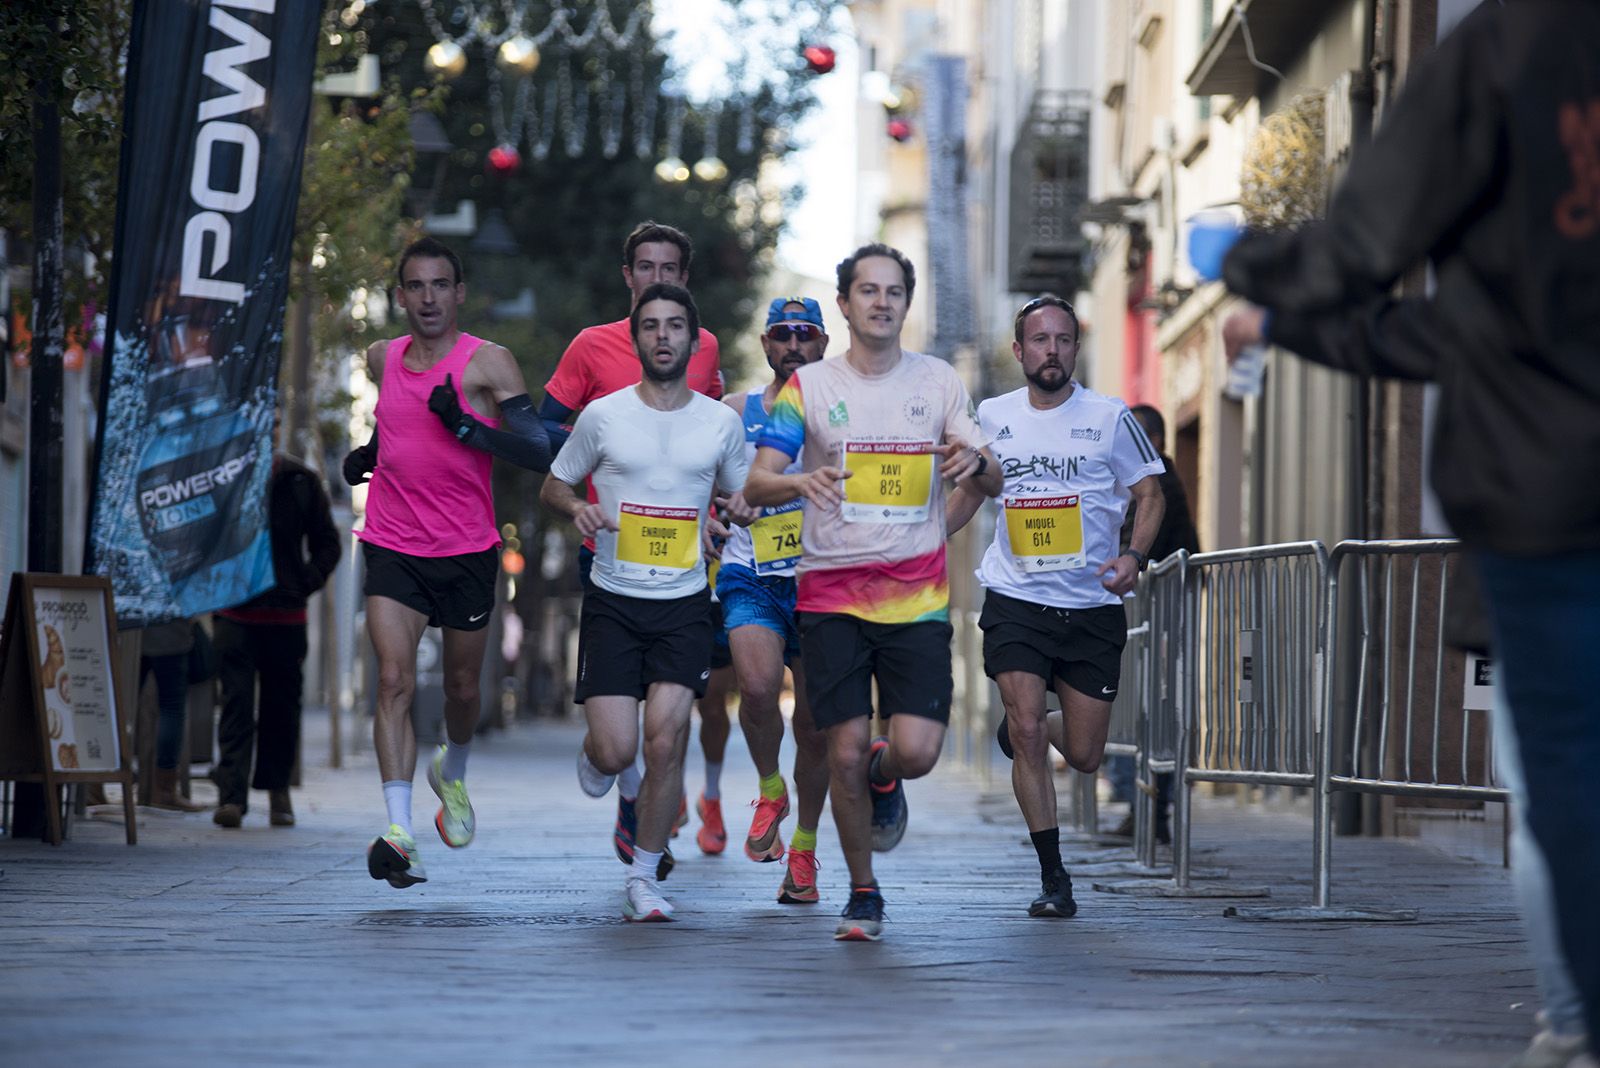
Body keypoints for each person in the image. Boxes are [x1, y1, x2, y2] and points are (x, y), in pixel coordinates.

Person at [1216, 1, 1600, 1049]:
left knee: (1562, 778)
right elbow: (1451, 329)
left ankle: (1582, 1020)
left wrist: (1249, 268)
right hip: (1543, 483)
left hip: (1549, 493)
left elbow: (1369, 240)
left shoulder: (1515, 45)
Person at [745, 244, 1002, 940]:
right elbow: (757, 481)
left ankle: (888, 776)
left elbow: (993, 478)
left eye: (894, 291)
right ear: (845, 304)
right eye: (868, 290)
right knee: (844, 749)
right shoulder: (811, 389)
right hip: (829, 598)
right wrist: (798, 481)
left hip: (916, 600)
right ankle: (863, 891)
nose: (882, 302)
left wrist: (974, 461)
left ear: (906, 305)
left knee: (915, 751)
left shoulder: (939, 382)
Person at [946, 295, 1164, 917]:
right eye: (1039, 341)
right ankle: (1053, 877)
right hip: (1017, 597)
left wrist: (1135, 556)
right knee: (1027, 725)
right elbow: (970, 495)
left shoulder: (1109, 416)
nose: (1051, 351)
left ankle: (1029, 736)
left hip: (1091, 605)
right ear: (1019, 351)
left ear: (1076, 347)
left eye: (1063, 340)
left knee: (1088, 754)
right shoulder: (992, 414)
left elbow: (1149, 493)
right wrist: (924, 538)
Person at [540, 282, 752, 922]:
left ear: (694, 339)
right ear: (636, 340)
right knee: (617, 751)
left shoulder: (721, 422)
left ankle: (643, 877)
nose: (663, 336)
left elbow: (739, 498)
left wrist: (726, 516)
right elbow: (554, 485)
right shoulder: (603, 415)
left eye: (675, 326)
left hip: (684, 602)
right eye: (652, 326)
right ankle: (596, 752)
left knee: (667, 741)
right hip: (612, 600)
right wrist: (578, 506)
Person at [343, 236, 551, 889]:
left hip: (466, 549)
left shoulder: (489, 364)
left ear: (458, 293)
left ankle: (451, 773)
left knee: (463, 691)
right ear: (399, 294)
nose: (428, 297)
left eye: (440, 285)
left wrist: (468, 428)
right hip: (392, 542)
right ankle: (400, 832)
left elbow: (539, 447)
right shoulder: (381, 359)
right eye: (415, 286)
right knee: (393, 683)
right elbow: (396, 425)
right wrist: (369, 454)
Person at [718, 296, 831, 903]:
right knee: (758, 688)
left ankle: (806, 850)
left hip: (820, 581)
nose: (794, 343)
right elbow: (699, 479)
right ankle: (769, 787)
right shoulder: (735, 412)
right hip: (751, 572)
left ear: (822, 346)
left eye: (805, 334)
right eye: (782, 334)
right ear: (766, 345)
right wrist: (714, 513)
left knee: (814, 727)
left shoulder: (839, 416)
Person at [212, 430, 341, 829]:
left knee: (282, 710)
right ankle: (231, 797)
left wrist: (304, 581)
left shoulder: (301, 480)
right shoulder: (224, 477)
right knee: (234, 706)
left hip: (286, 616)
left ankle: (278, 793)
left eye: (273, 421)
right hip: (235, 615)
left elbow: (328, 544)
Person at [1105, 403, 1200, 840]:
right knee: (1139, 711)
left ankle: (1150, 806)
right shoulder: (1148, 477)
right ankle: (1145, 806)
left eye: (1135, 440)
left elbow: (1142, 541)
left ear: (1156, 443)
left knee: (1149, 710)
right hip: (1152, 614)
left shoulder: (1157, 480)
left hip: (1158, 615)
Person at [140, 619, 203, 811]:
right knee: (171, 707)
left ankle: (93, 785)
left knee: (116, 703)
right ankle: (164, 790)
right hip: (171, 628)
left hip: (126, 626)